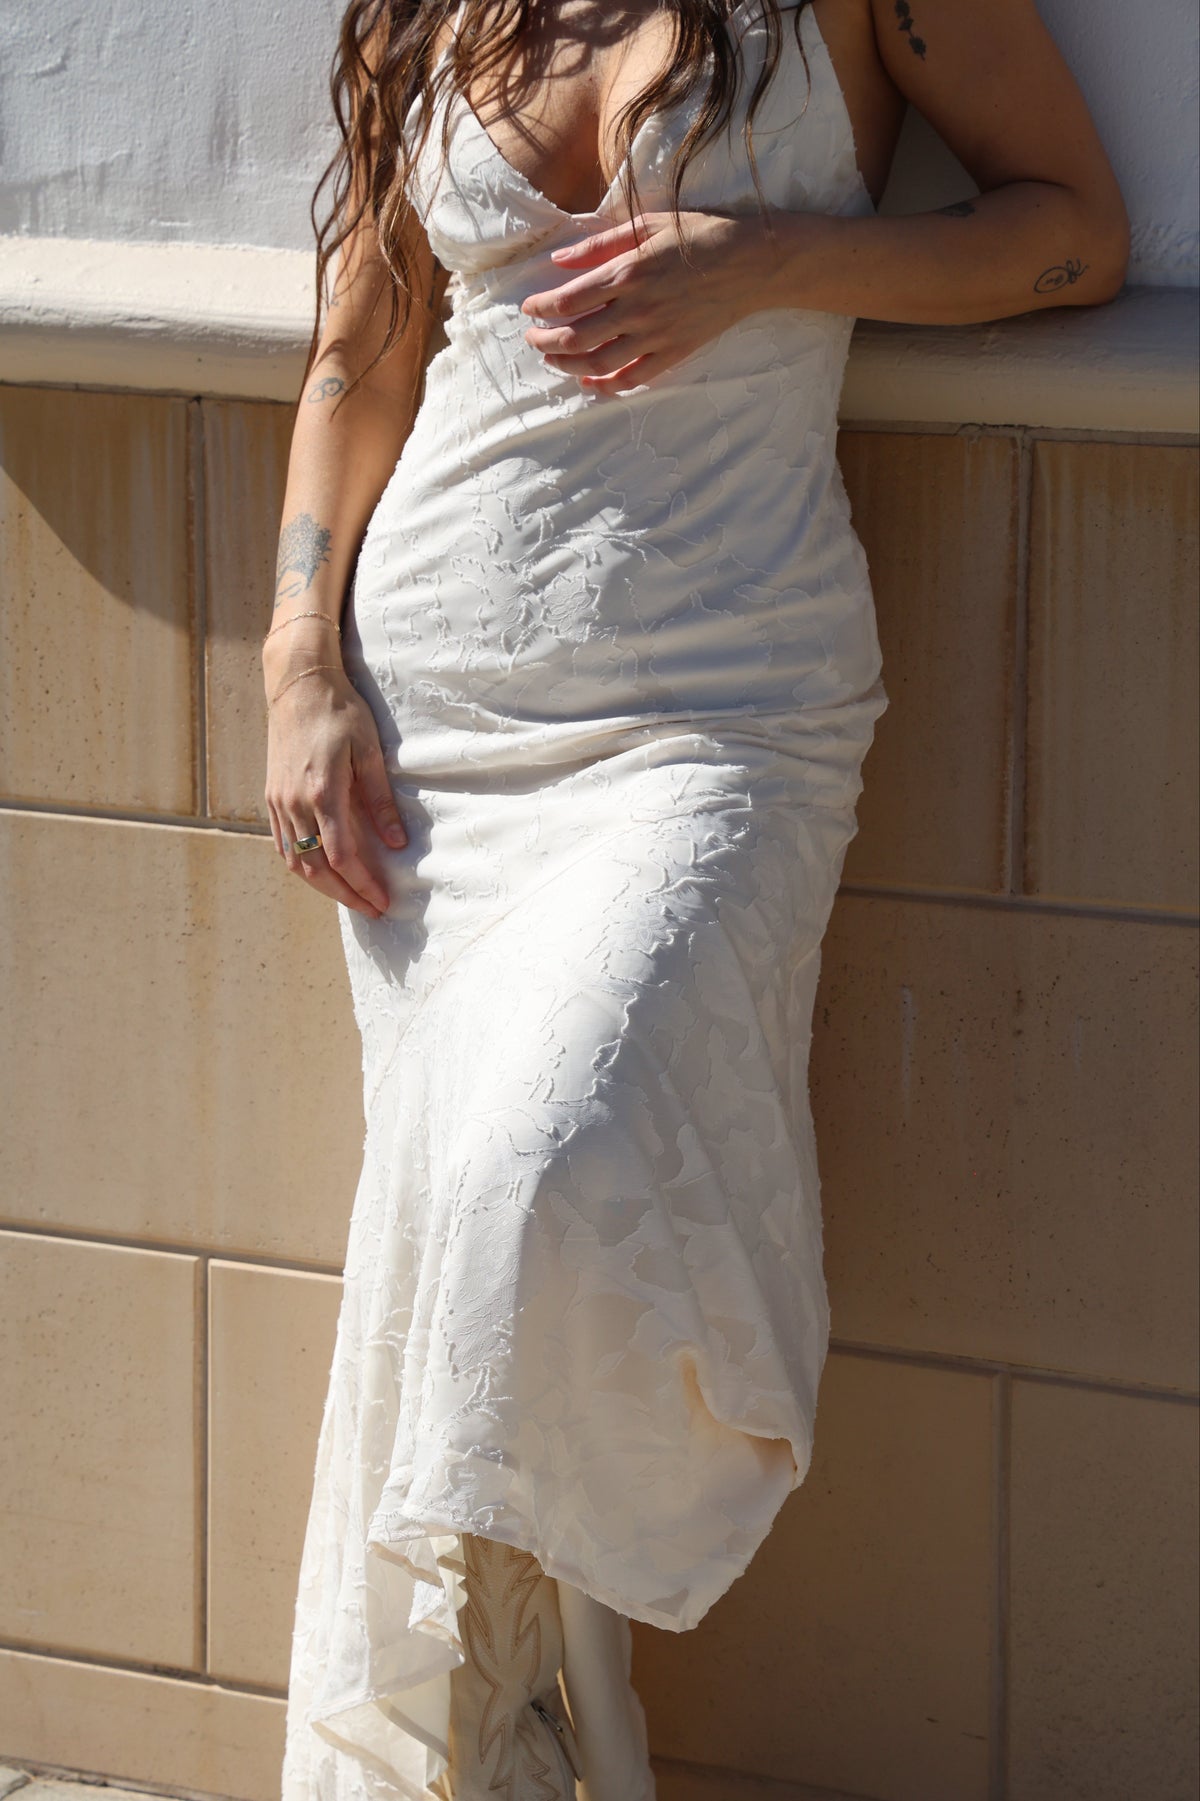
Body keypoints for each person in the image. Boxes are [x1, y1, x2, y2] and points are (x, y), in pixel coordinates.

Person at [268, 3, 1128, 1796]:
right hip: (434, 745)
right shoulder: (434, 13)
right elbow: (361, 350)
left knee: (539, 1163)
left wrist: (768, 261)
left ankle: (537, 1714)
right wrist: (299, 664)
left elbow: (1072, 231)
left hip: (715, 716)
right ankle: (545, 1723)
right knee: (450, 1235)